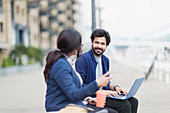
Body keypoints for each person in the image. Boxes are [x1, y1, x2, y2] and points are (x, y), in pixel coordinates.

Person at [43, 29, 118, 113]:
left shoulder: (66, 63)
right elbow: (73, 94)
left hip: (73, 105)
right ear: (75, 47)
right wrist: (97, 83)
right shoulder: (61, 65)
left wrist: (88, 99)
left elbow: (72, 89)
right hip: (62, 109)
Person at [75, 29, 139, 113]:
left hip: (103, 96)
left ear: (106, 46)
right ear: (92, 43)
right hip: (91, 98)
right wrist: (101, 91)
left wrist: (115, 88)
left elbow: (106, 82)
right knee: (124, 105)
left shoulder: (105, 60)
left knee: (134, 101)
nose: (99, 46)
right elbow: (79, 86)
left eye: (102, 44)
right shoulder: (83, 60)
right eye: (96, 42)